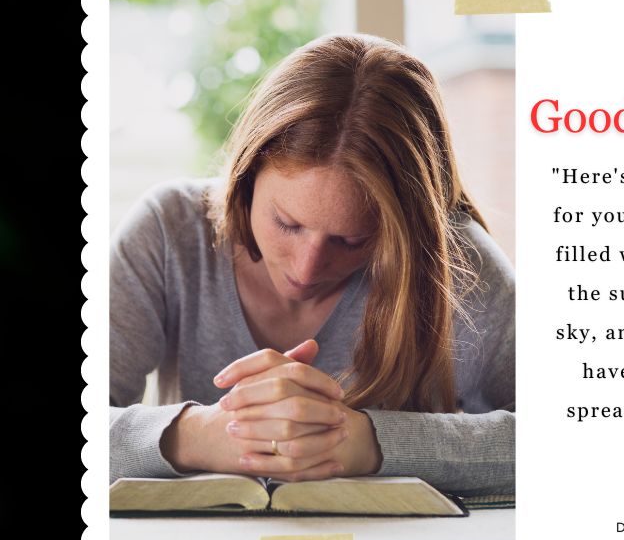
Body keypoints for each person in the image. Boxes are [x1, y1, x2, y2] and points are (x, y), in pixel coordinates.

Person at [109, 33, 515, 498]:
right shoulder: (167, 232)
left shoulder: (453, 265)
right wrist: (205, 435)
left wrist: (371, 443)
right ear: (246, 175)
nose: (307, 268)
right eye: (286, 223)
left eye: (352, 239)